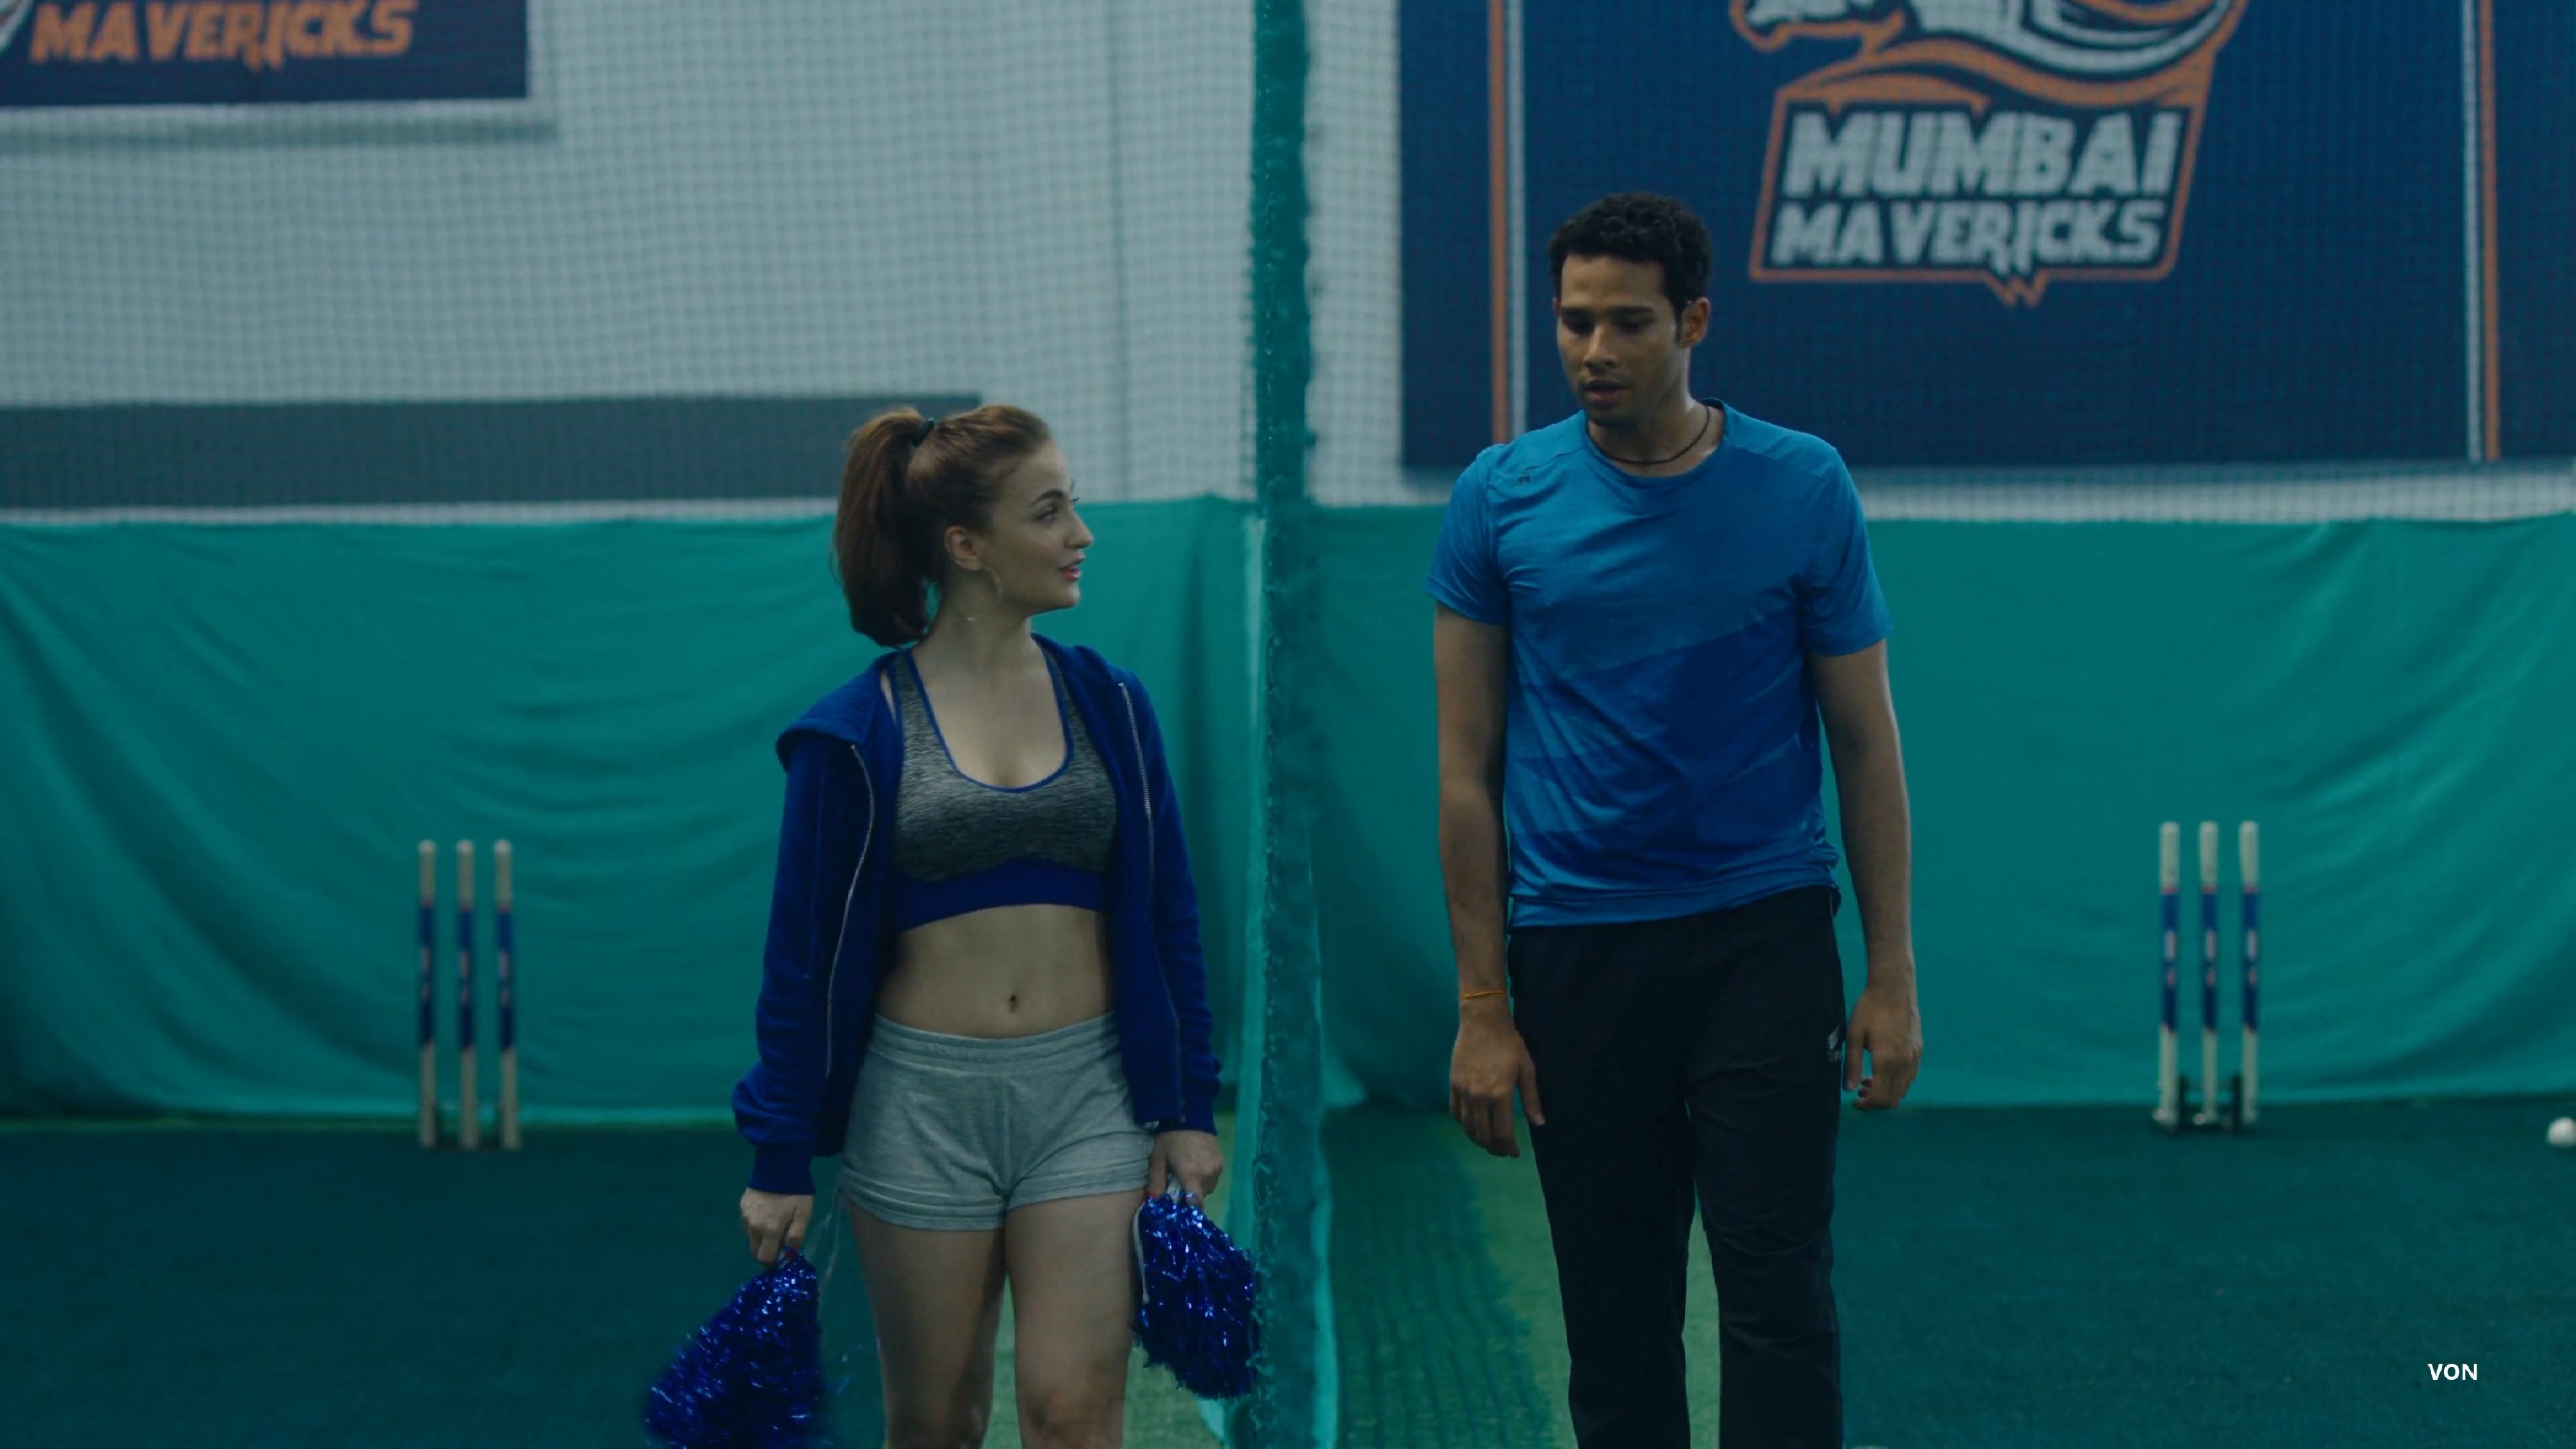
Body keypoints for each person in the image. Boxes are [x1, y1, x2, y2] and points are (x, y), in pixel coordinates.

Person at [1428, 192, 1923, 1448]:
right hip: (1577, 953)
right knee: (1615, 1320)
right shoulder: (1499, 498)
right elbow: (1465, 770)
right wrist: (1484, 1005)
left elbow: (1865, 743)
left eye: (1629, 324)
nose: (1595, 351)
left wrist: (1893, 974)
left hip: (1764, 938)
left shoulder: (1803, 486)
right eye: (1574, 322)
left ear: (1694, 322)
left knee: (1779, 1301)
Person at [731, 404, 1225, 1449]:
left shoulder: (1114, 705)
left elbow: (1170, 917)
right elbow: (801, 963)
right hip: (919, 1109)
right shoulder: (853, 733)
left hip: (1088, 1099)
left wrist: (1185, 1107)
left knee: (1072, 1414)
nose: (1081, 534)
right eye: (1048, 513)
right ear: (966, 547)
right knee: (937, 1422)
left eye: (1073, 505)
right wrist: (779, 1155)